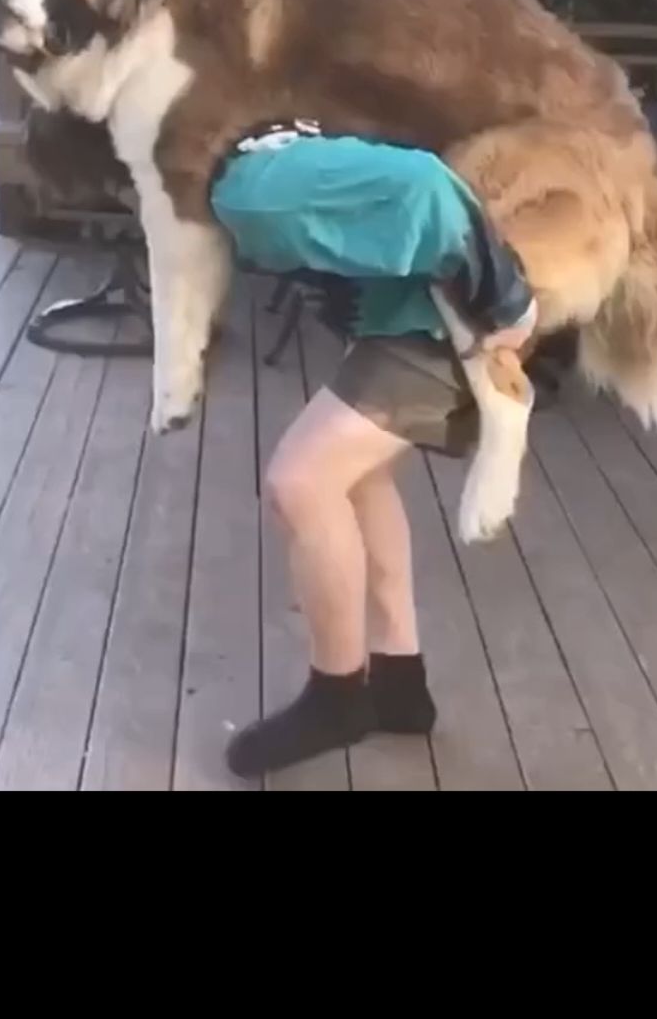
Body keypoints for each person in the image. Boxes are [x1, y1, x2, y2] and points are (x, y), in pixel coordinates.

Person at [207, 120, 538, 778]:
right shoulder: (263, 167)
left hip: (444, 332)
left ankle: (338, 697)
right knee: (358, 480)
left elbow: (427, 184)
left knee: (300, 482)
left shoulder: (254, 190)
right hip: (407, 322)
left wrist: (506, 302)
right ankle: (398, 682)